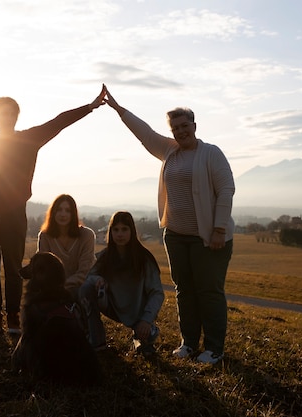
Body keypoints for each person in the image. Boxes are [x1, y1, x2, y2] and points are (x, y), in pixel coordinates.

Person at [104, 86, 235, 364]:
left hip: (208, 238)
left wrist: (219, 229)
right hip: (175, 235)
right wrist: (118, 108)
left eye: (184, 125)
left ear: (194, 126)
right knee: (184, 290)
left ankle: (214, 348)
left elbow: (226, 190)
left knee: (209, 292)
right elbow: (145, 133)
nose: (180, 131)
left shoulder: (211, 153)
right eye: (175, 127)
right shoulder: (168, 151)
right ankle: (188, 342)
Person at [0, 86, 106, 334]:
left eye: (11, 113)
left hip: (13, 212)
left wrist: (90, 106)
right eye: (2, 114)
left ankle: (13, 316)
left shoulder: (28, 138)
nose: (6, 118)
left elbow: (59, 121)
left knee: (13, 266)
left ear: (16, 116)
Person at [79, 211, 164, 355]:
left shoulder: (144, 259)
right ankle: (96, 340)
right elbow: (88, 277)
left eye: (124, 229)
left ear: (132, 231)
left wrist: (146, 319)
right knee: (86, 288)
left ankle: (144, 333)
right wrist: (98, 279)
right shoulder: (105, 257)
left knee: (146, 345)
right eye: (115, 230)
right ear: (110, 232)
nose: (120, 234)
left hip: (138, 313)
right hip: (112, 306)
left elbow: (157, 293)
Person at [37, 194, 96, 300]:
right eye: (59, 210)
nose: (63, 214)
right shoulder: (45, 236)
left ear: (74, 214)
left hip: (80, 287)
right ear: (53, 212)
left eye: (68, 211)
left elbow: (85, 271)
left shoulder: (87, 235)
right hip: (52, 289)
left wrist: (63, 285)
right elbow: (42, 268)